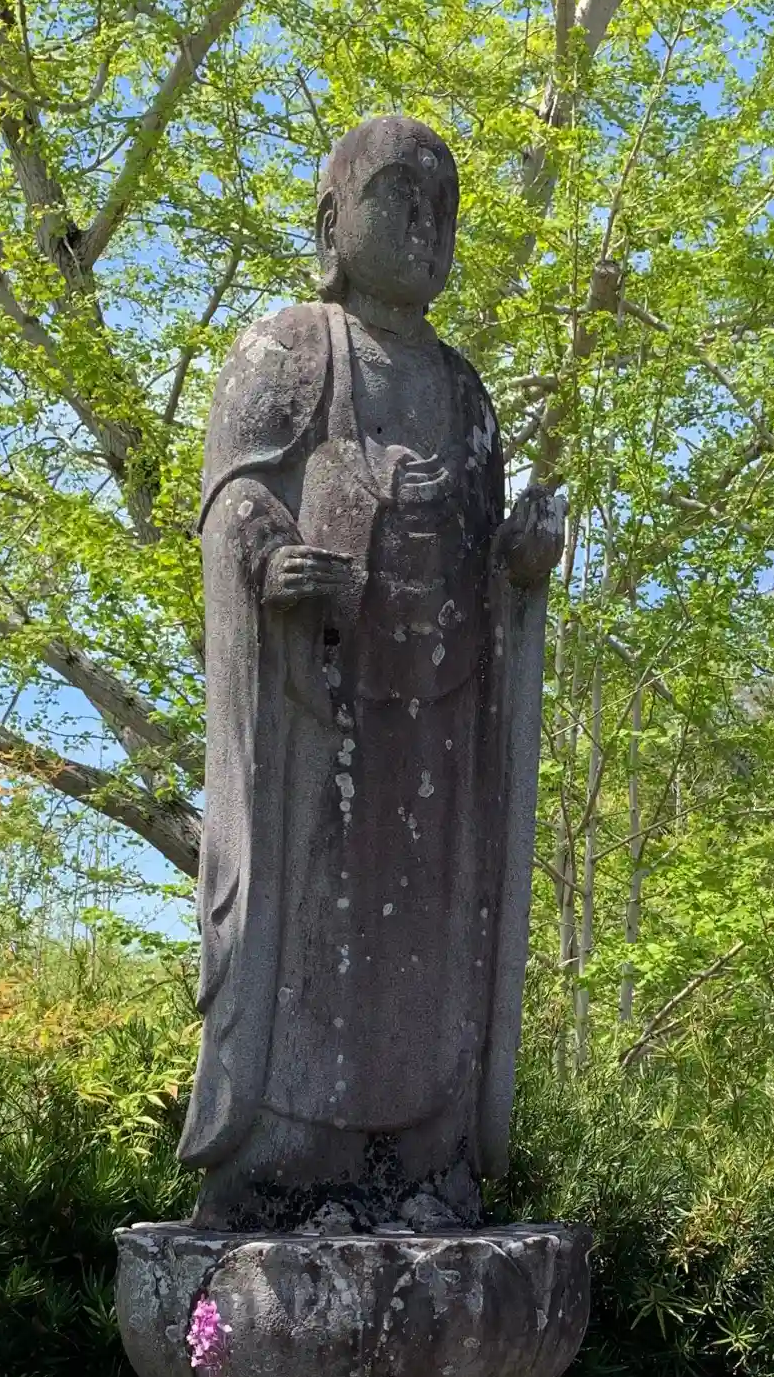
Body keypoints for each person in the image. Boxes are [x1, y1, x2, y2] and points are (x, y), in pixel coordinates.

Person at [180, 115, 564, 1224]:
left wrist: (523, 567)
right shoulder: (286, 352)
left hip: (441, 731)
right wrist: (267, 564)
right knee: (316, 929)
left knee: (437, 929)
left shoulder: (467, 395)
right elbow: (233, 507)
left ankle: (429, 1163)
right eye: (400, 196)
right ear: (331, 222)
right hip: (321, 710)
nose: (425, 224)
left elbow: (490, 562)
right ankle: (289, 1168)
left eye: (444, 207)